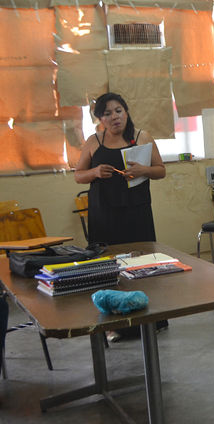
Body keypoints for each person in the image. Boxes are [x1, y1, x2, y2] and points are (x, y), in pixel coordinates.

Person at [75, 92, 167, 341]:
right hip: (104, 213)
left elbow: (161, 171)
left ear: (126, 112)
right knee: (109, 267)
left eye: (118, 111)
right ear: (100, 119)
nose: (115, 117)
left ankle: (150, 320)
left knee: (142, 264)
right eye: (107, 113)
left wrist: (143, 170)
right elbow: (78, 175)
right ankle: (113, 325)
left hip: (136, 211)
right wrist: (94, 171)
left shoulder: (142, 137)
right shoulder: (94, 141)